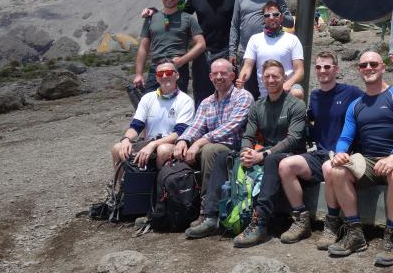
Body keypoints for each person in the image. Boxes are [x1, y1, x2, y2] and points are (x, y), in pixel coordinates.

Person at [184, 59, 306, 241]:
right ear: (262, 80)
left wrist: (263, 154)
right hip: (262, 151)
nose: (271, 80)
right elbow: (248, 136)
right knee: (222, 157)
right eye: (267, 77)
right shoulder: (258, 105)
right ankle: (211, 216)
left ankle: (260, 223)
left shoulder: (295, 105)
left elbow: (293, 139)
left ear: (284, 78)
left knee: (272, 160)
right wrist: (246, 151)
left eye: (275, 76)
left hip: (288, 153)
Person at [323, 51, 393, 266]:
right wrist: (342, 152)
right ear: (359, 70)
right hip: (369, 160)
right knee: (336, 170)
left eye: (373, 64)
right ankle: (355, 234)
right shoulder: (356, 105)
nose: (368, 68)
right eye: (363, 65)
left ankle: (392, 236)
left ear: (382, 67)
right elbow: (345, 137)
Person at [277, 51, 363, 245]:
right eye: (318, 67)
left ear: (336, 69)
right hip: (321, 153)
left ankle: (332, 224)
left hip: (344, 155)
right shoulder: (314, 96)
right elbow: (310, 124)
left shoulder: (352, 92)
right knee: (285, 165)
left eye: (327, 67)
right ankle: (301, 219)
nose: (322, 71)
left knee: (330, 168)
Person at [173, 58, 253, 234]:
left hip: (233, 148)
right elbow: (196, 126)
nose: (219, 77)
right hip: (211, 144)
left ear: (232, 75)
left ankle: (208, 213)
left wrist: (201, 142)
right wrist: (183, 141)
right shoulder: (206, 102)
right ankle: (174, 208)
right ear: (210, 76)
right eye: (215, 74)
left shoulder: (242, 97)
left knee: (209, 150)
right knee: (178, 151)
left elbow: (232, 127)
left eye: (223, 73)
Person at [142, 0, 239, 107]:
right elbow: (175, 12)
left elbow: (249, 10)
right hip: (202, 54)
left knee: (229, 90)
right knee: (201, 92)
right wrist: (154, 11)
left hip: (226, 52)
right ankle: (202, 126)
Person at [111, 60, 195, 171]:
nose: (164, 76)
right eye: (160, 74)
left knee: (163, 149)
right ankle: (122, 187)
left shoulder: (185, 100)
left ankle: (159, 186)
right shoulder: (147, 98)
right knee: (117, 148)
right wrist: (126, 139)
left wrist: (153, 145)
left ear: (177, 75)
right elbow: (136, 126)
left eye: (169, 72)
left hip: (173, 145)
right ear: (156, 78)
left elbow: (179, 133)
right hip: (150, 142)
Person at [229, 0, 294, 100]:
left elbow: (289, 22)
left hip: (268, 50)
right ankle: (251, 120)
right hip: (245, 51)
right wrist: (232, 51)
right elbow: (234, 25)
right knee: (248, 91)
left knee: (269, 89)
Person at [135, 0, 206, 94]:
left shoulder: (188, 18)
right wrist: (139, 74)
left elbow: (201, 44)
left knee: (177, 105)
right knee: (151, 104)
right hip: (156, 69)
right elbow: (143, 47)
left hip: (178, 69)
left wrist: (182, 60)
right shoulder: (151, 18)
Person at [237, 1, 304, 100]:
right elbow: (247, 66)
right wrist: (241, 79)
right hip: (265, 93)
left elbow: (300, 71)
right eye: (267, 15)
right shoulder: (255, 39)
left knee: (297, 93)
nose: (271, 17)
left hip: (288, 91)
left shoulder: (293, 39)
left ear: (281, 18)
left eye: (276, 14)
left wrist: (287, 84)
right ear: (264, 19)